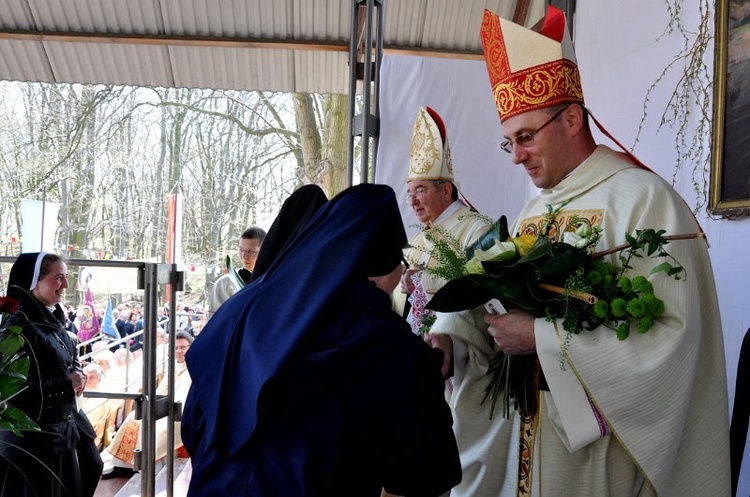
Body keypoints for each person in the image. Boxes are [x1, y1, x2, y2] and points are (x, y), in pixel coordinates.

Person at [453, 7, 728, 495]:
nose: (516, 155)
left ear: (572, 118)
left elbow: (670, 339)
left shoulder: (643, 201)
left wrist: (541, 336)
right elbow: (502, 314)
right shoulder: (531, 215)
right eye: (508, 143)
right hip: (532, 437)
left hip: (604, 454)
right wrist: (453, 339)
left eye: (525, 137)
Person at [182, 183, 461, 496]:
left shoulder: (243, 309)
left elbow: (195, 420)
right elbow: (425, 473)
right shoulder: (390, 344)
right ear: (387, 264)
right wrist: (430, 370)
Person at [0, 252, 102, 497]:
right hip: (33, 442)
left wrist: (77, 373)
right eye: (58, 278)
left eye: (65, 278)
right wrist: (66, 385)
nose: (65, 285)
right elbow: (12, 391)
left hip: (60, 431)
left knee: (91, 467)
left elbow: (66, 359)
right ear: (34, 281)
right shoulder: (17, 327)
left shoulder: (51, 320)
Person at [393, 106, 490, 337]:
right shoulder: (415, 240)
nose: (413, 201)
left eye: (420, 191)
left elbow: (479, 290)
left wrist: (423, 281)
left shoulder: (478, 230)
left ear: (446, 190)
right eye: (410, 194)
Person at [101, 331, 194, 479]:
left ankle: (146, 469)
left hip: (181, 413)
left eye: (183, 347)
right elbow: (161, 390)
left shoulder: (195, 367)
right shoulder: (174, 365)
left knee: (155, 428)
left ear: (191, 346)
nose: (178, 351)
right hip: (164, 407)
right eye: (175, 348)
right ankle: (121, 466)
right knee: (133, 418)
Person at [208, 226, 266, 317]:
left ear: (264, 251)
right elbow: (214, 319)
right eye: (241, 250)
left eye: (251, 251)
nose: (244, 256)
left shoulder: (272, 280)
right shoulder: (226, 283)